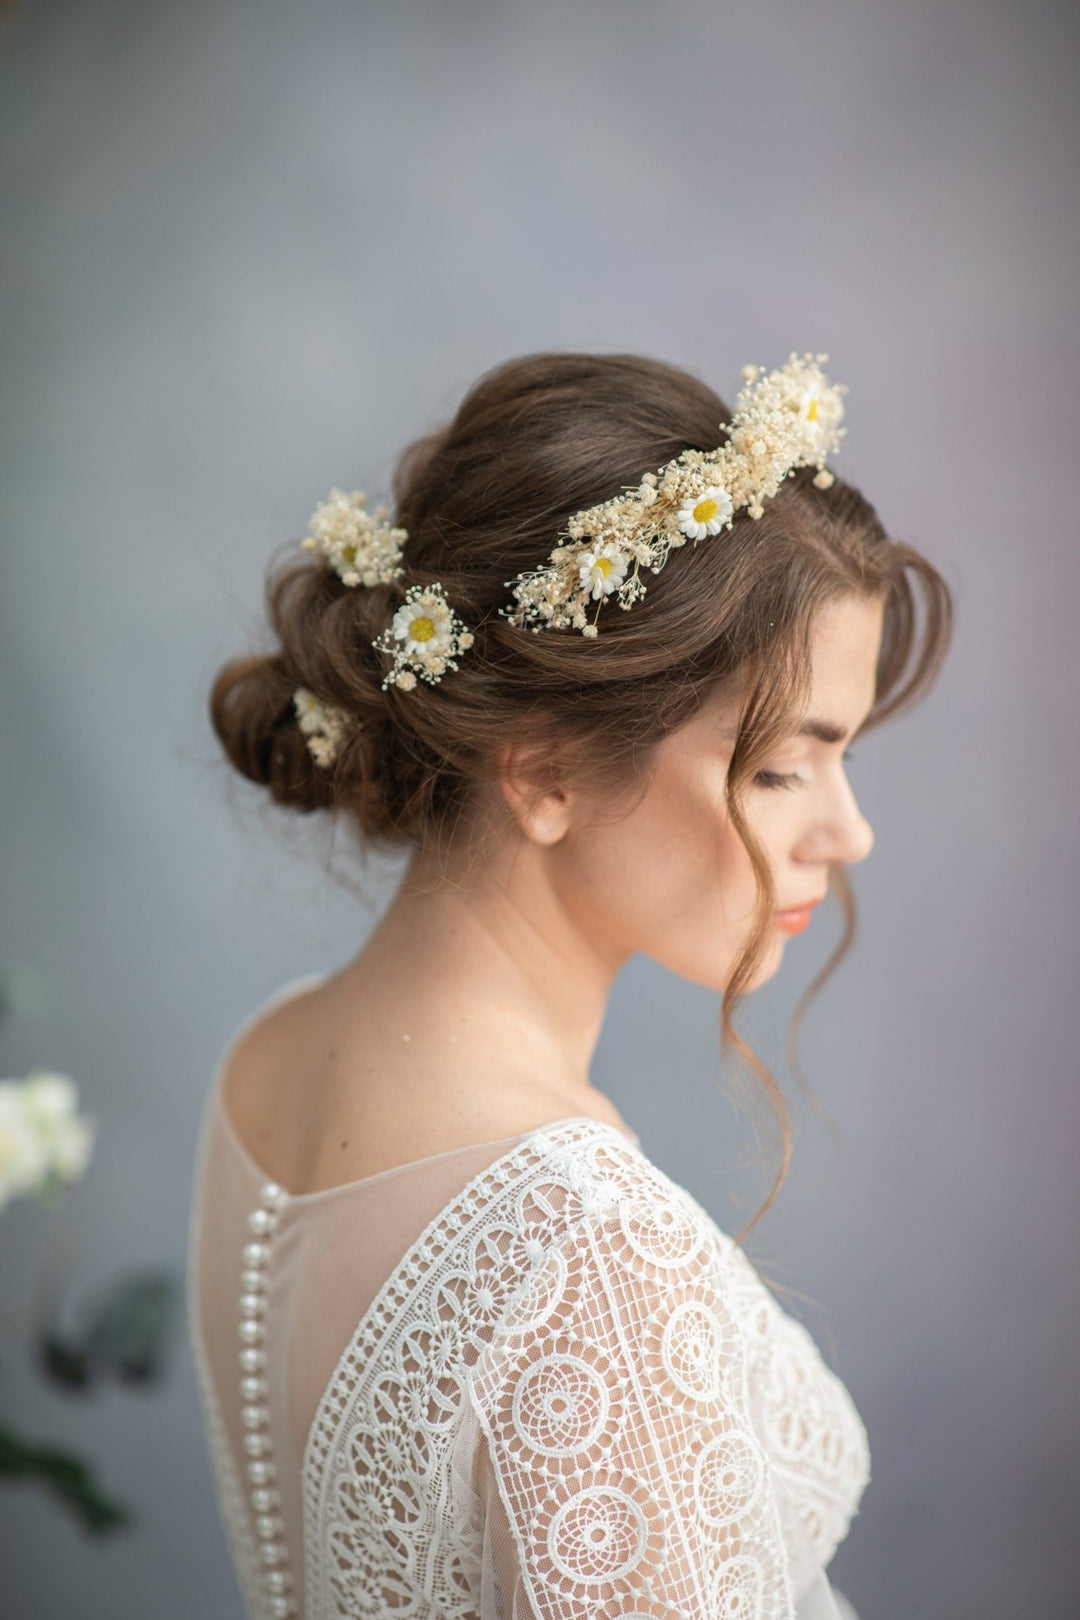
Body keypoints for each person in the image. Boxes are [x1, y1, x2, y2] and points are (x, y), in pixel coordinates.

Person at [188, 350, 952, 1619]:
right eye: (779, 769)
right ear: (542, 770)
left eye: (845, 757)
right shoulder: (587, 1248)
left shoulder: (266, 1061)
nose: (849, 833)